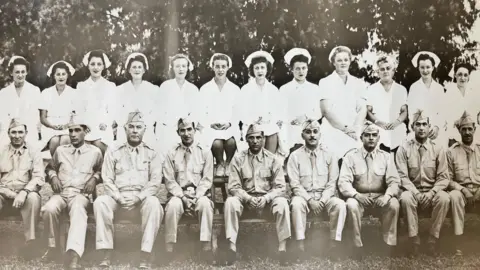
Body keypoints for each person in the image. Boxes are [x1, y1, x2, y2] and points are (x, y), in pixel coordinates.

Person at [94, 111, 164, 269]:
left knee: (154, 203)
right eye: (131, 127)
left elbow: (155, 181)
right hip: (117, 200)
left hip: (141, 200)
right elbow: (107, 178)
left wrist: (139, 198)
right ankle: (106, 251)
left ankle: (146, 253)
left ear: (144, 129)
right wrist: (118, 197)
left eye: (138, 127)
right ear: (124, 129)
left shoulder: (152, 152)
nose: (134, 130)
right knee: (101, 202)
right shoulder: (113, 150)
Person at [224, 124, 291, 266]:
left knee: (282, 203)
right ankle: (231, 248)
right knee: (231, 202)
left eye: (258, 138)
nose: (255, 141)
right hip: (246, 202)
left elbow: (280, 187)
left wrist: (266, 198)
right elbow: (233, 186)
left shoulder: (273, 159)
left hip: (267, 202)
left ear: (263, 140)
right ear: (247, 140)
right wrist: (247, 198)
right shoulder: (238, 159)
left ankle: (283, 248)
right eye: (251, 138)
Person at [42, 114, 103, 269]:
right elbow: (49, 168)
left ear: (86, 131)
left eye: (77, 130)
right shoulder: (61, 150)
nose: (73, 134)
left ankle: (74, 253)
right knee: (49, 208)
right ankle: (52, 247)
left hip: (80, 194)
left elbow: (102, 171)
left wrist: (94, 178)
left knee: (77, 209)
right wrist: (53, 176)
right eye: (70, 131)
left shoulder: (95, 152)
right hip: (61, 193)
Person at [338, 122, 400, 257]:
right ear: (361, 138)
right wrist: (356, 195)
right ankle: (357, 245)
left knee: (393, 204)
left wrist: (387, 196)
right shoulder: (350, 157)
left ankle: (387, 243)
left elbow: (394, 181)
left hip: (380, 197)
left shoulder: (387, 157)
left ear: (378, 138)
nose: (371, 138)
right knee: (351, 205)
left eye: (374, 135)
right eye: (367, 135)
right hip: (359, 197)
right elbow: (343, 182)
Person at [288, 119, 346, 261]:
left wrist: (322, 200)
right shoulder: (295, 156)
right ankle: (300, 247)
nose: (312, 135)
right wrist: (310, 200)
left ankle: (334, 246)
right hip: (304, 196)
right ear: (303, 135)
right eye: (308, 132)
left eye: (315, 132)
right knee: (296, 204)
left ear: (320, 134)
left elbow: (332, 183)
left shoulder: (330, 154)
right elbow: (295, 184)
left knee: (340, 205)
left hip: (324, 196)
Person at [396, 109, 450, 256]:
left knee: (444, 198)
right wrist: (417, 193)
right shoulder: (404, 148)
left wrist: (432, 192)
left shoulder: (438, 148)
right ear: (412, 127)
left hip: (432, 192)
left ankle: (433, 239)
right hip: (413, 191)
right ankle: (414, 240)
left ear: (429, 126)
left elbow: (444, 177)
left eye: (424, 124)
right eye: (417, 124)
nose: (421, 128)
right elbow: (402, 176)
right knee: (406, 198)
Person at [163, 117, 214, 264]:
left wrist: (197, 196)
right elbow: (169, 180)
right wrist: (182, 197)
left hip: (199, 194)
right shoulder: (172, 152)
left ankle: (206, 247)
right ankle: (168, 249)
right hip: (178, 195)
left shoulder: (205, 152)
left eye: (189, 129)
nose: (186, 133)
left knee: (205, 205)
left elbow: (207, 179)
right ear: (178, 132)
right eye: (182, 130)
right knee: (172, 206)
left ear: (195, 130)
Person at [0, 118, 44, 259]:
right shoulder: (1, 151)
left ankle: (30, 242)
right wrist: (8, 193)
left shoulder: (34, 151)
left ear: (26, 133)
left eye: (20, 132)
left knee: (33, 198)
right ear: (8, 133)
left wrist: (24, 192)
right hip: (3, 193)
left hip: (25, 194)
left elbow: (39, 177)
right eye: (13, 132)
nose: (17, 136)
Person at [318, 46, 368, 160]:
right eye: (339, 60)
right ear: (333, 63)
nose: (343, 63)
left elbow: (362, 109)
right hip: (332, 132)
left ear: (350, 61)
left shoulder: (358, 83)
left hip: (353, 134)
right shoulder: (325, 82)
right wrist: (345, 129)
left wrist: (355, 129)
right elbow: (326, 110)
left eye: (346, 60)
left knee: (353, 169)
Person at [235, 51, 286, 159]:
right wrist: (253, 121)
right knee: (257, 137)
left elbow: (278, 111)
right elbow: (241, 111)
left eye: (262, 67)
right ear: (252, 70)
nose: (260, 71)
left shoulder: (273, 90)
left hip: (269, 124)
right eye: (256, 68)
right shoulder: (246, 89)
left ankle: (269, 167)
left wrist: (269, 120)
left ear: (267, 69)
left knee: (272, 133)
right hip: (252, 125)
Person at [199, 53, 241, 177]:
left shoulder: (234, 89)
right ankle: (220, 163)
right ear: (213, 67)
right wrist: (210, 123)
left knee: (231, 142)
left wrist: (229, 123)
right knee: (216, 143)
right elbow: (202, 111)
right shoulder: (205, 89)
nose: (220, 70)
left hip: (229, 126)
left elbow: (237, 111)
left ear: (228, 67)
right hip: (211, 126)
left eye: (223, 66)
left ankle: (228, 163)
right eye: (217, 66)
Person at [447, 111, 480, 256]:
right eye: (464, 129)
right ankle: (458, 241)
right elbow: (447, 178)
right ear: (459, 130)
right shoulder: (451, 152)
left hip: (479, 189)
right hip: (461, 191)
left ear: (475, 129)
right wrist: (463, 190)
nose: (467, 132)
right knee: (454, 196)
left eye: (469, 129)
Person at [157, 53, 201, 155]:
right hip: (168, 127)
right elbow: (159, 110)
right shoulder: (165, 86)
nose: (180, 69)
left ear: (187, 68)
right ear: (172, 68)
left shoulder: (193, 89)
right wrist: (171, 123)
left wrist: (187, 123)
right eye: (177, 66)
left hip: (186, 129)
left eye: (183, 66)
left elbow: (197, 111)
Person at [280, 48, 322, 153]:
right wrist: (293, 119)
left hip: (311, 128)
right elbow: (281, 112)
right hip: (291, 129)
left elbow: (319, 112)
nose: (301, 71)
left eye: (304, 68)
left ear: (307, 69)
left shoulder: (315, 89)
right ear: (292, 70)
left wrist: (305, 117)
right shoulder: (285, 89)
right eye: (297, 68)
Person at [76, 50, 117, 155]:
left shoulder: (110, 86)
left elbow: (112, 110)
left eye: (99, 64)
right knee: (84, 147)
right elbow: (79, 110)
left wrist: (106, 123)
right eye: (92, 64)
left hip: (103, 125)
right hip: (86, 125)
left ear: (103, 66)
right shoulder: (81, 86)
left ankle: (101, 170)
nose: (96, 67)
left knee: (100, 145)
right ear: (88, 66)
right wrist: (82, 127)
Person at [366, 55, 408, 154]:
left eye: (388, 68)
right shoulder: (372, 89)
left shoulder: (401, 89)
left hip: (396, 127)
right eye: (382, 69)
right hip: (378, 127)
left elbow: (404, 111)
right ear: (377, 72)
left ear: (393, 70)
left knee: (398, 161)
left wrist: (396, 123)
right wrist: (379, 123)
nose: (385, 71)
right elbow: (368, 111)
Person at [116, 52, 158, 147]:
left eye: (140, 67)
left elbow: (156, 111)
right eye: (134, 67)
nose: (137, 70)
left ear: (144, 70)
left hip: (146, 131)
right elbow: (116, 111)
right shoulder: (120, 89)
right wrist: (130, 119)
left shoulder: (153, 89)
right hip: (126, 131)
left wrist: (143, 121)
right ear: (129, 70)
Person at [407, 51, 447, 148]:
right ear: (418, 68)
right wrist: (420, 128)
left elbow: (443, 110)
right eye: (422, 67)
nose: (425, 70)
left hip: (435, 131)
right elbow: (412, 111)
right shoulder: (414, 87)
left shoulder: (439, 88)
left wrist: (437, 126)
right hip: (419, 129)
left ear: (433, 67)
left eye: (428, 67)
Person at [0, 56, 41, 148]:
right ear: (11, 73)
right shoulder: (4, 93)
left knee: (30, 147)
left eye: (23, 72)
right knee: (4, 146)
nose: (20, 75)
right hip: (9, 129)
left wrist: (21, 124)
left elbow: (35, 116)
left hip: (28, 129)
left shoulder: (34, 90)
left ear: (26, 72)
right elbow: (2, 116)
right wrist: (12, 125)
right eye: (17, 72)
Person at [39, 60, 78, 156]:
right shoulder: (46, 93)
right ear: (54, 76)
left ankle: (64, 167)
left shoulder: (74, 93)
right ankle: (56, 166)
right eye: (58, 74)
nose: (61, 77)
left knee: (65, 139)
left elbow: (75, 115)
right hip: (50, 126)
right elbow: (43, 118)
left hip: (68, 126)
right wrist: (52, 126)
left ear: (67, 75)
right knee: (54, 141)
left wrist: (67, 125)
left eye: (63, 74)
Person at [444, 62, 479, 146]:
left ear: (469, 76)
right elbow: (445, 113)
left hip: (471, 132)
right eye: (459, 74)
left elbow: (477, 112)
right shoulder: (450, 91)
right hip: (454, 131)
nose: (462, 78)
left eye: (465, 75)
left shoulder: (473, 91)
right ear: (455, 75)